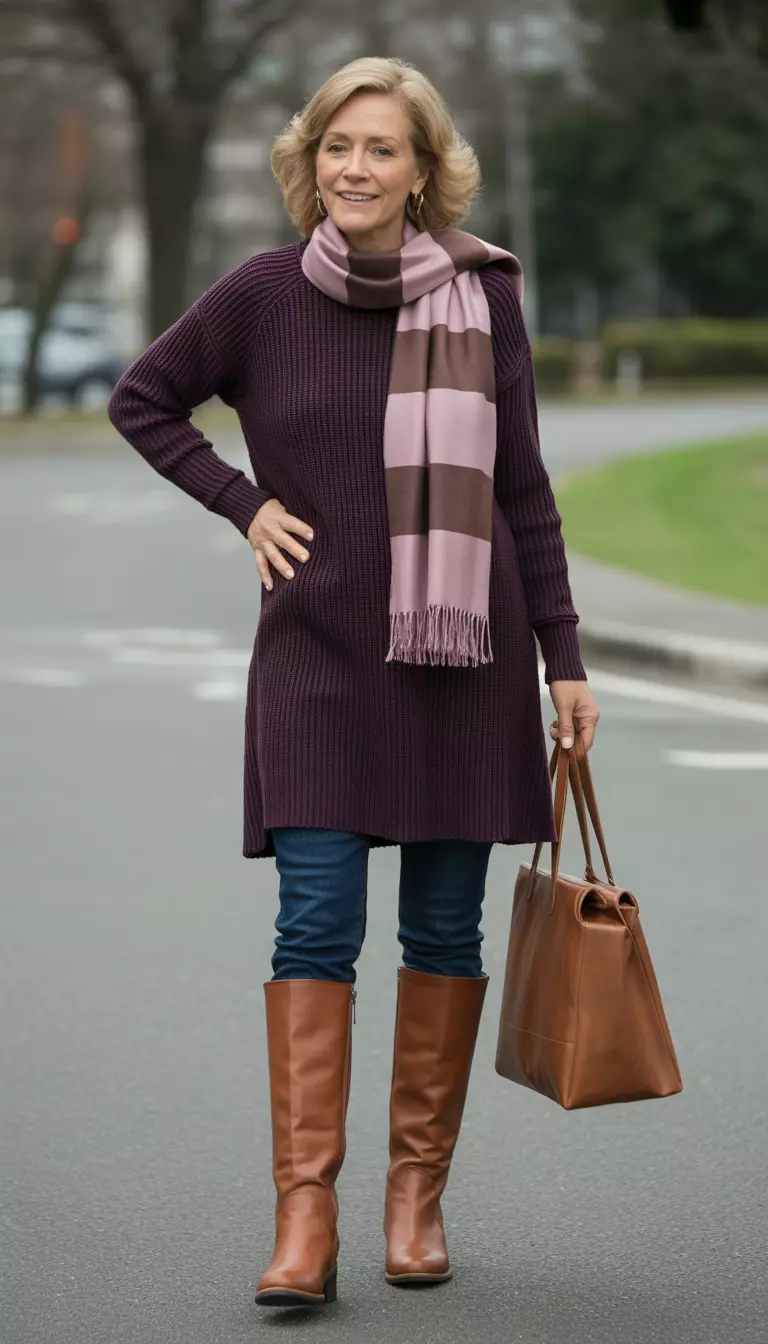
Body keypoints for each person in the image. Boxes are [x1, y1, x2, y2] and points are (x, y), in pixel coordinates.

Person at [108, 56, 600, 1309]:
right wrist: (244, 504)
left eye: (383, 149)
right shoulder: (265, 296)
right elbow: (145, 399)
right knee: (314, 925)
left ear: (425, 170)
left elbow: (522, 492)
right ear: (309, 159)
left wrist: (567, 661)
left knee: (441, 930)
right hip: (319, 660)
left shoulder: (483, 301)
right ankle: (305, 1219)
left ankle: (414, 1201)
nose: (355, 169)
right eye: (338, 146)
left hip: (464, 662)